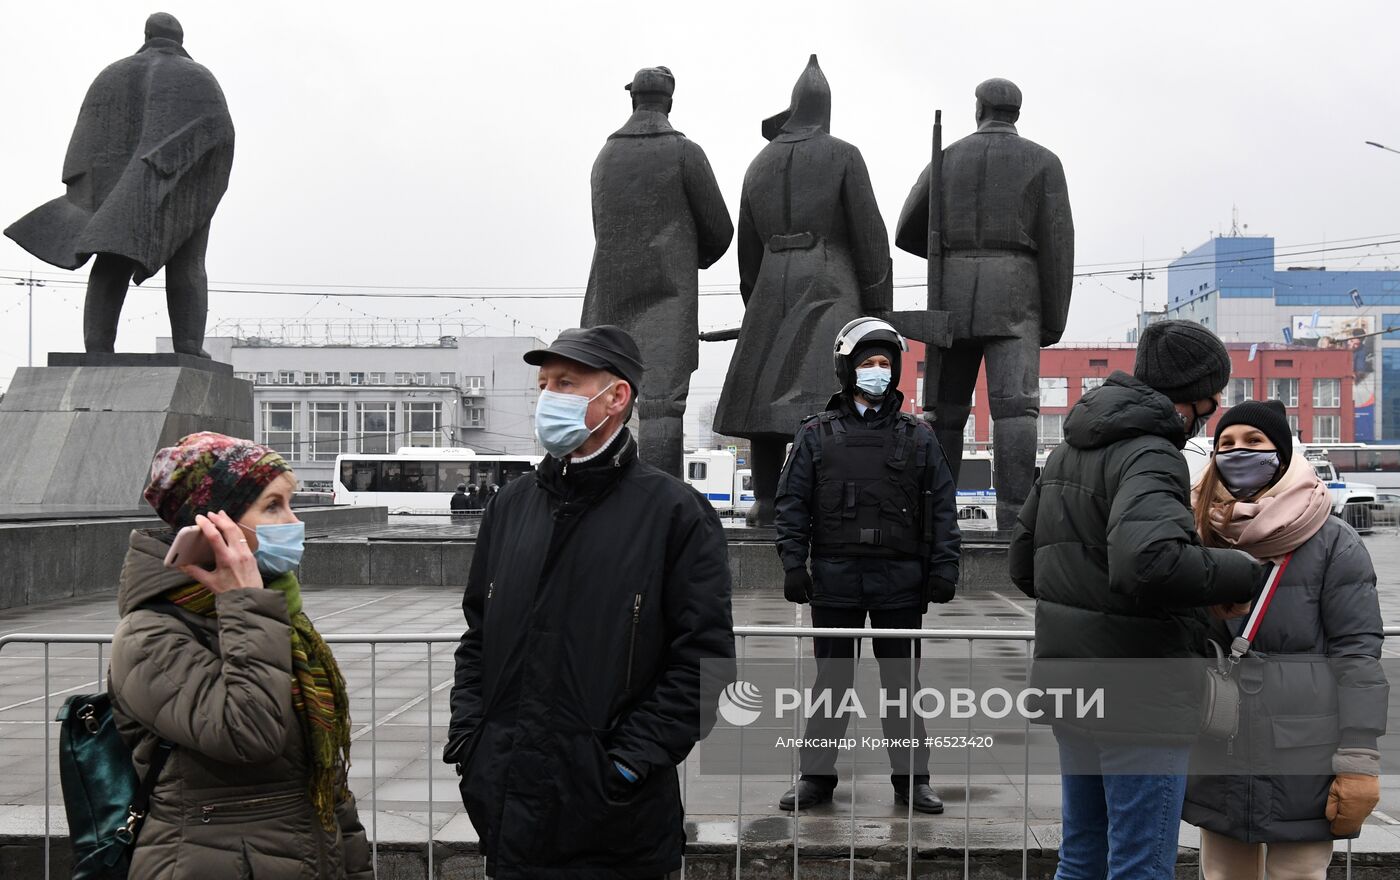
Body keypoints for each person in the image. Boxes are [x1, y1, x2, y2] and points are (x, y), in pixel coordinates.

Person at [446, 325, 735, 879]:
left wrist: (625, 765)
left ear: (616, 397)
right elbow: (477, 637)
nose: (548, 396)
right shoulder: (511, 505)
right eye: (544, 383)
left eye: (567, 382)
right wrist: (471, 742)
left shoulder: (675, 512)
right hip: (509, 809)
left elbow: (704, 662)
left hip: (615, 824)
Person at [1009, 320, 1265, 879]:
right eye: (1213, 396)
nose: (1217, 407)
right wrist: (1242, 574)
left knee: (1081, 859)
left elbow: (1025, 565)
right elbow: (1150, 562)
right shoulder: (1152, 453)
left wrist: (1091, 600)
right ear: (1193, 397)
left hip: (1072, 687)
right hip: (1140, 697)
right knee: (1140, 864)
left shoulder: (1069, 449)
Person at [108, 432, 370, 878]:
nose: (293, 520)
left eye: (290, 503)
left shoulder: (275, 616)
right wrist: (246, 604)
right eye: (272, 506)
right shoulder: (148, 635)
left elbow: (323, 782)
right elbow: (249, 734)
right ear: (214, 527)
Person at [1182, 399, 1387, 880]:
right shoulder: (1198, 535)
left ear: (1283, 453)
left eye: (1254, 442)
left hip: (1307, 752)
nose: (1237, 453)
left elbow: (1357, 654)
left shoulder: (1333, 540)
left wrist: (1359, 756)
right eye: (1226, 444)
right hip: (1220, 743)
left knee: (1299, 875)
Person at [773, 317, 961, 815]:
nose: (876, 372)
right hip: (835, 578)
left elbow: (942, 506)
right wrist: (795, 564)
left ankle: (912, 780)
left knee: (902, 685)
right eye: (867, 364)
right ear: (847, 370)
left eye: (884, 364)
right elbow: (791, 504)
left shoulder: (918, 436)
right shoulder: (815, 434)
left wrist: (946, 567)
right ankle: (815, 778)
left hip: (900, 579)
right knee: (831, 684)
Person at [713, 54, 893, 527]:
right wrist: (878, 308)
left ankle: (768, 501)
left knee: (764, 397)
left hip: (771, 281)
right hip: (831, 280)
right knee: (829, 398)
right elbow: (869, 235)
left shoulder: (758, 164)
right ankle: (830, 499)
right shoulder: (843, 154)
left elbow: (746, 250)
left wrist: (756, 301)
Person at [894, 77, 1074, 528]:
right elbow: (1057, 246)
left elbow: (906, 230)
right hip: (1015, 292)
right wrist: (1053, 319)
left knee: (945, 410)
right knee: (1016, 409)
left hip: (951, 289)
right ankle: (1013, 516)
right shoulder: (1043, 161)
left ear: (979, 109)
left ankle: (936, 518)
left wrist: (949, 251)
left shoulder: (947, 157)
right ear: (1017, 111)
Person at [3, 12, 234, 356]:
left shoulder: (111, 74)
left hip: (115, 187)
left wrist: (86, 194)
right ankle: (187, 345)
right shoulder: (198, 76)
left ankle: (98, 347)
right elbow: (220, 131)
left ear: (146, 34)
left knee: (111, 260)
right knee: (188, 261)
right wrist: (173, 172)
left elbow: (83, 141)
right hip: (177, 183)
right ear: (181, 41)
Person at [581, 65, 734, 478]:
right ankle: (660, 503)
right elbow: (721, 228)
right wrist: (691, 259)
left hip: (608, 297)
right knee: (662, 405)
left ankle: (603, 496)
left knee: (605, 399)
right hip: (670, 297)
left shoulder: (605, 155)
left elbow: (600, 227)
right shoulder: (685, 152)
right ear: (669, 101)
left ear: (633, 99)